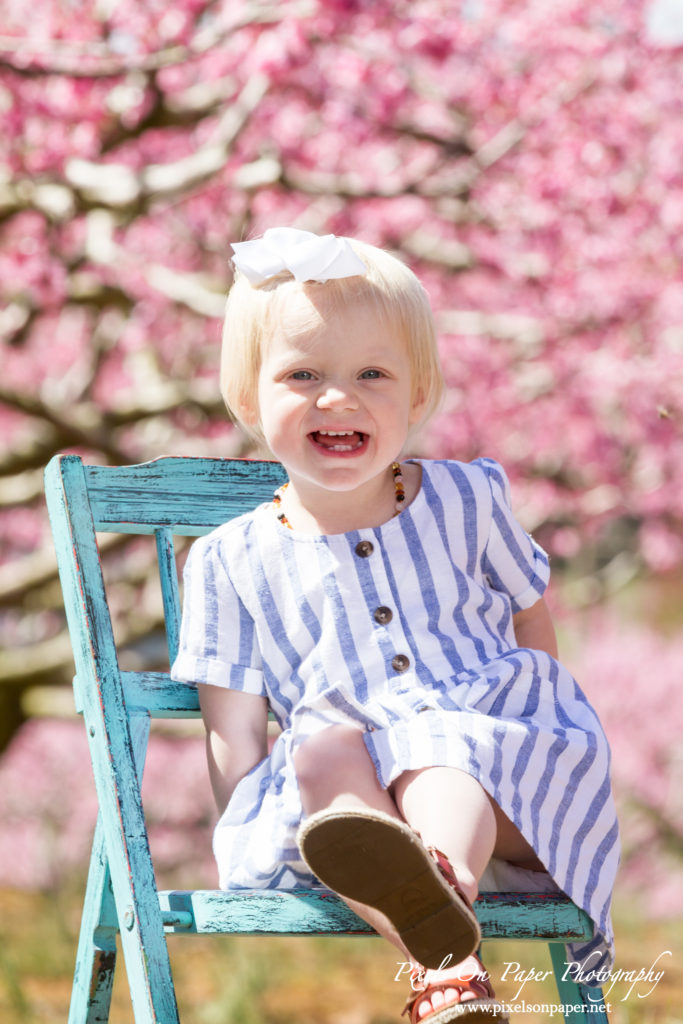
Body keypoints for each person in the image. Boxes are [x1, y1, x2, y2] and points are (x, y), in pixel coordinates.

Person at [171, 227, 619, 1023]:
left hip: (501, 773)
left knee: (439, 748)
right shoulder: (228, 559)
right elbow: (232, 727)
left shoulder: (465, 500)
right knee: (318, 753)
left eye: (371, 374)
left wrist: (533, 723)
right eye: (302, 374)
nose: (336, 397)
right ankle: (444, 966)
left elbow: (530, 620)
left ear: (417, 396)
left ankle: (435, 880)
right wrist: (246, 823)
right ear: (248, 397)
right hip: (353, 804)